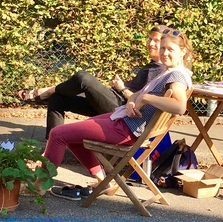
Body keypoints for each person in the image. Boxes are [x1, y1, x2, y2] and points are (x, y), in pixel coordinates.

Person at [42, 28, 193, 200]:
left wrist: (146, 98)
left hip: (126, 130)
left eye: (170, 49)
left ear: (183, 52)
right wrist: (132, 101)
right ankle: (103, 182)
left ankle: (40, 183)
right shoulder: (169, 71)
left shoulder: (176, 77)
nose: (164, 53)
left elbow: (180, 107)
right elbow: (138, 94)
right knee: (75, 134)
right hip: (123, 120)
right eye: (163, 48)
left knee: (58, 134)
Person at [17, 25, 168, 138]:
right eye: (149, 39)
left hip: (120, 109)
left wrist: (122, 88)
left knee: (83, 78)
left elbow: (144, 101)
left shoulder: (160, 70)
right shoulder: (153, 65)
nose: (150, 44)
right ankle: (50, 149)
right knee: (58, 99)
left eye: (156, 41)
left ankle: (47, 91)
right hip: (113, 100)